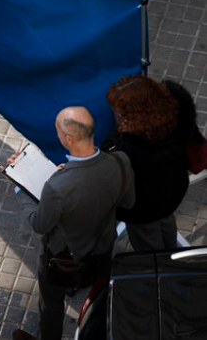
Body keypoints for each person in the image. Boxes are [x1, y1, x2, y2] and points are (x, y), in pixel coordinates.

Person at [10, 107, 135, 340]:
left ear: (68, 138)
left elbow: (39, 224)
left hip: (63, 258)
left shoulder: (57, 186)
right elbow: (128, 203)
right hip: (102, 251)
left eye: (57, 129)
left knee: (51, 303)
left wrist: (20, 188)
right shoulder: (120, 161)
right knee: (98, 289)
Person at [105, 75, 196, 251]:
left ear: (133, 117)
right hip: (173, 190)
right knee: (167, 224)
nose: (115, 116)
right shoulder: (178, 117)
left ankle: (162, 271)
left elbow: (109, 155)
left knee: (148, 246)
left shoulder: (129, 149)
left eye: (118, 112)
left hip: (144, 208)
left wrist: (112, 140)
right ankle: (170, 251)